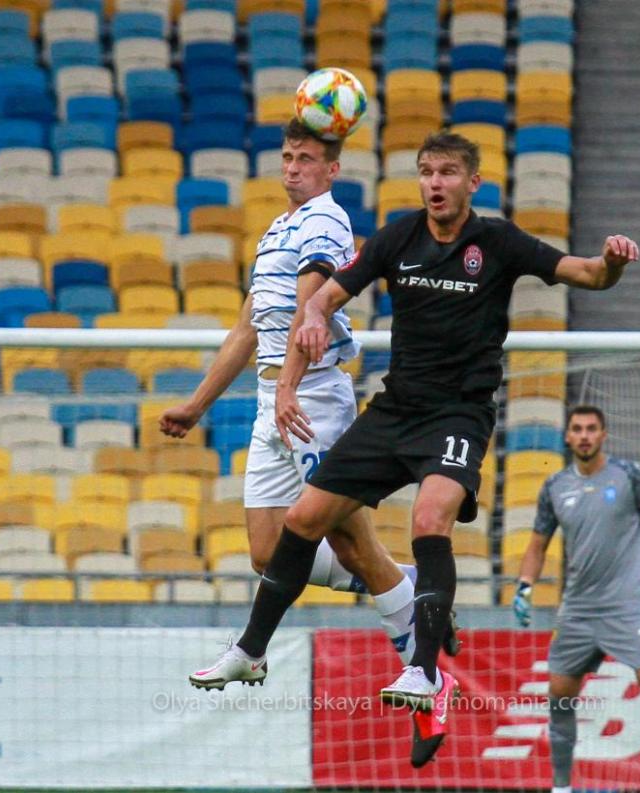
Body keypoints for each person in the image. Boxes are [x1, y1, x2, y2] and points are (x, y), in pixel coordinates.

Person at [191, 130, 640, 762]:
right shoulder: (397, 237)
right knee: (302, 520)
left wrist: (612, 262)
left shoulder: (498, 242)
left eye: (447, 172)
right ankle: (251, 650)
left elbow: (587, 273)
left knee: (429, 521)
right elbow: (330, 291)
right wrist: (314, 314)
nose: (435, 183)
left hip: (458, 415)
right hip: (395, 409)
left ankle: (425, 671)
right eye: (427, 171)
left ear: (472, 183)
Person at [166, 119, 452, 691]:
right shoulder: (278, 229)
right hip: (271, 400)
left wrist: (290, 387)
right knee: (267, 552)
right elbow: (248, 327)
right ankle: (403, 583)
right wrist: (197, 405)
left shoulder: (325, 219)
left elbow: (311, 307)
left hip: (310, 397)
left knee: (348, 539)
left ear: (332, 169)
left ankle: (423, 668)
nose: (293, 168)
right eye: (287, 157)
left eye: (305, 159)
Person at [512, 404, 640, 793]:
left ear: (603, 435)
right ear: (568, 436)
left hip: (627, 607)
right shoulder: (555, 486)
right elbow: (538, 544)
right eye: (577, 429)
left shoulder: (630, 476)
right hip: (577, 610)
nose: (584, 435)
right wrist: (524, 585)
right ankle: (561, 787)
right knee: (559, 694)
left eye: (592, 429)